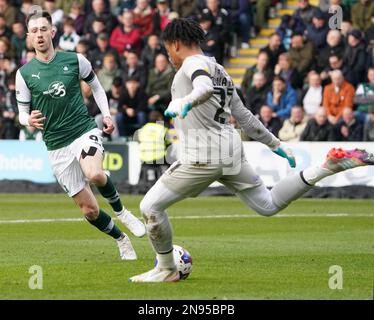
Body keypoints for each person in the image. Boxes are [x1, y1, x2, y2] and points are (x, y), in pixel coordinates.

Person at [129, 18, 374, 282]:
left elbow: (203, 87)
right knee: (267, 204)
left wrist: (186, 101)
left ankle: (166, 269)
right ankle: (325, 168)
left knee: (150, 207)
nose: (170, 57)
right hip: (230, 150)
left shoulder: (193, 63)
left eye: (168, 51)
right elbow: (244, 116)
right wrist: (276, 144)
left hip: (204, 153)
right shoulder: (220, 69)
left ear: (175, 44)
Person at [16, 10, 146, 261]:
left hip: (83, 131)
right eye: (34, 31)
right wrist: (27, 119)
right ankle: (121, 239)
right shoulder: (24, 74)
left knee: (95, 173)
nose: (39, 34)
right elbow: (22, 112)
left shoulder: (76, 60)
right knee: (89, 210)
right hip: (56, 145)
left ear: (53, 32)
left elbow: (96, 86)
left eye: (43, 29)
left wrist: (107, 114)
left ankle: (123, 212)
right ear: (29, 38)